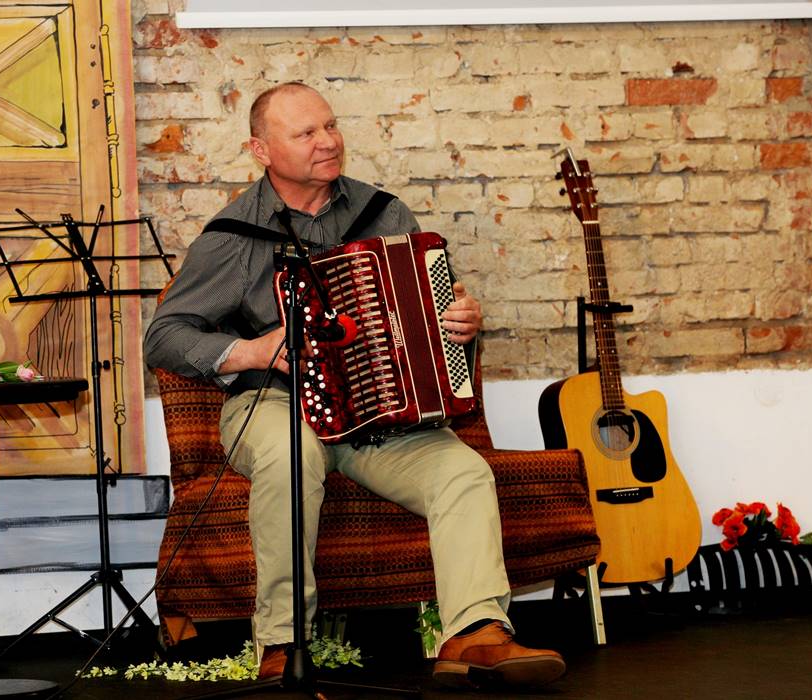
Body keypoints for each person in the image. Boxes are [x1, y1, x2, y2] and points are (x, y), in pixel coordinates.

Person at [144, 82, 566, 690]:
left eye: (330, 126)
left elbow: (430, 319)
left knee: (463, 471)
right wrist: (253, 350)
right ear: (261, 150)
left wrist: (460, 324)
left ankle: (474, 631)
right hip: (275, 403)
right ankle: (283, 643)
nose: (327, 142)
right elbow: (164, 335)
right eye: (305, 133)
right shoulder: (235, 235)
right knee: (292, 455)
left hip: (378, 414)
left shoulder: (384, 214)